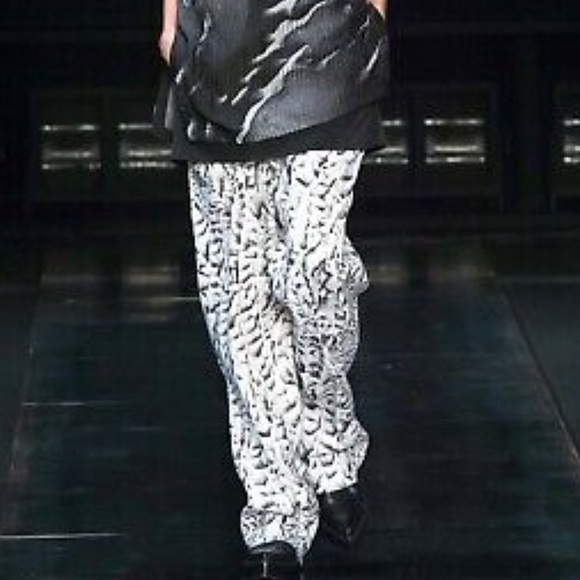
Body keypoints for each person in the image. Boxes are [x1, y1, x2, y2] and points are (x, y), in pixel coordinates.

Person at [154, 0, 389, 577]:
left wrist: (375, 15)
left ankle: (327, 436)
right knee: (242, 305)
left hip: (328, 51)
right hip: (216, 56)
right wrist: (171, 26)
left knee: (315, 275)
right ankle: (276, 511)